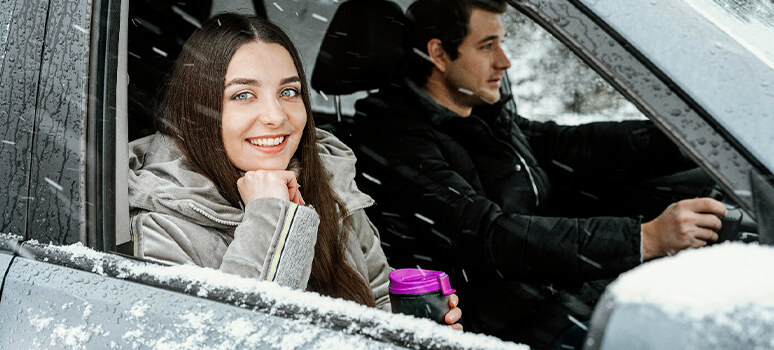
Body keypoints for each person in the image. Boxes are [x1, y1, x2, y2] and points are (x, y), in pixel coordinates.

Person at [353, 0, 726, 346]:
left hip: (544, 295)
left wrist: (688, 137)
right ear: (438, 54)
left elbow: (574, 146)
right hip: (499, 326)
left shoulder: (480, 118)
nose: (504, 62)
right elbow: (491, 235)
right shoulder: (396, 140)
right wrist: (641, 239)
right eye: (487, 46)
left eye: (501, 43)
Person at [126, 13, 461, 328]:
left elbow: (377, 301)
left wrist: (416, 330)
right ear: (197, 110)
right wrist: (271, 215)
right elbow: (236, 337)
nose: (275, 115)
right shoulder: (159, 226)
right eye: (243, 95)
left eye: (288, 91)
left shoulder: (329, 182)